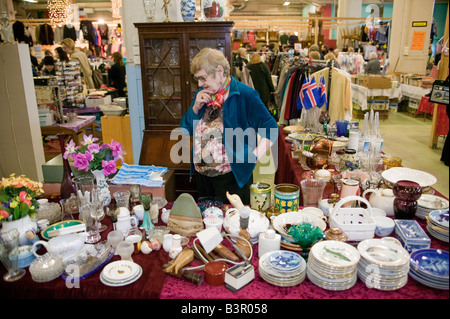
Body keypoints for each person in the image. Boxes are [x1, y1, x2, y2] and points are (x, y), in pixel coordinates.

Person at [180, 48, 278, 205]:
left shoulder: (245, 94)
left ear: (219, 71)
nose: (199, 84)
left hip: (232, 178)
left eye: (202, 78)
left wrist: (254, 156)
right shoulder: (202, 93)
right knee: (209, 223)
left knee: (235, 223)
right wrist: (195, 109)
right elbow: (185, 130)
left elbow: (271, 127)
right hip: (202, 177)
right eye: (197, 79)